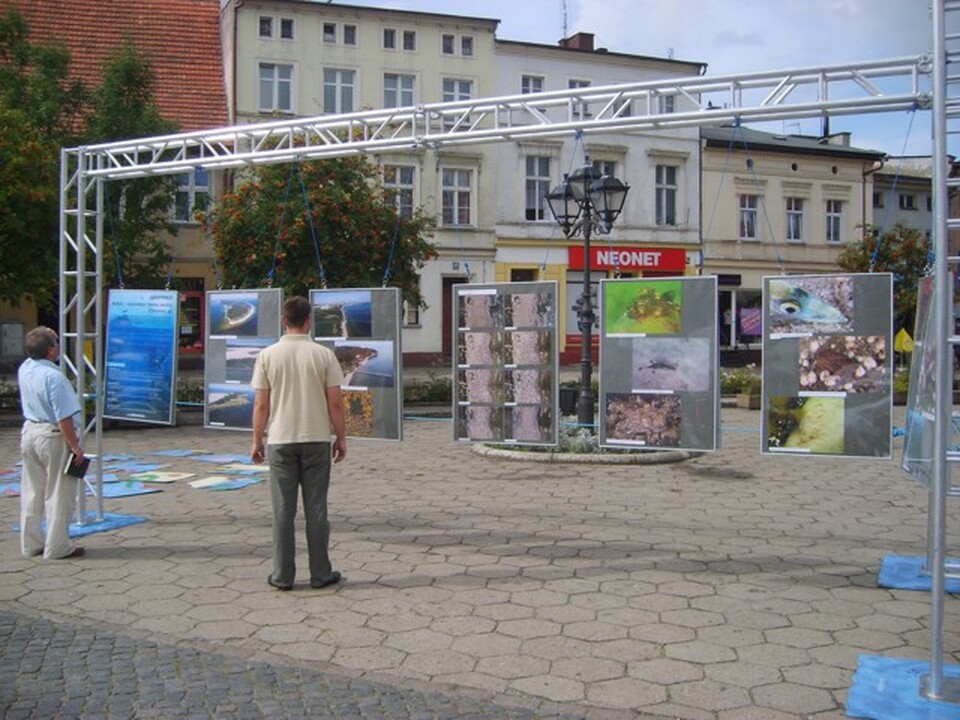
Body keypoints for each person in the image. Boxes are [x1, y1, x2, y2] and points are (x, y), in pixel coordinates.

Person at [250, 296, 347, 591]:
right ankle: (320, 572)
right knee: (316, 509)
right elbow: (335, 402)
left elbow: (261, 405)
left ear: (284, 320)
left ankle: (282, 575)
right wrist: (341, 437)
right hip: (316, 438)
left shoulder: (267, 355)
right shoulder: (324, 355)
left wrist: (257, 440)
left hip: (280, 439)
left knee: (283, 510)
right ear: (308, 322)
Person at [18, 326, 86, 559]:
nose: (59, 344)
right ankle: (57, 546)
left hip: (30, 431)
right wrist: (75, 446)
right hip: (52, 435)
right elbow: (63, 417)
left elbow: (37, 341)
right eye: (56, 342)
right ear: (50, 350)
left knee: (32, 491)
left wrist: (42, 333)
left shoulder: (25, 368)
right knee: (59, 492)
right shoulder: (54, 377)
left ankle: (31, 543)